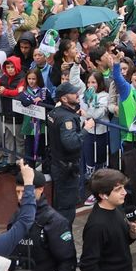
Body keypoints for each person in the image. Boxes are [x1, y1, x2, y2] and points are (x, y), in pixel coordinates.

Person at [46, 82, 86, 226]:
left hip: (57, 163)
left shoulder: (54, 113)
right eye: (73, 93)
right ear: (63, 98)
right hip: (66, 168)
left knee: (59, 202)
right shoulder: (67, 118)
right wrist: (86, 129)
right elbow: (71, 143)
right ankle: (63, 234)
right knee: (67, 208)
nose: (77, 95)